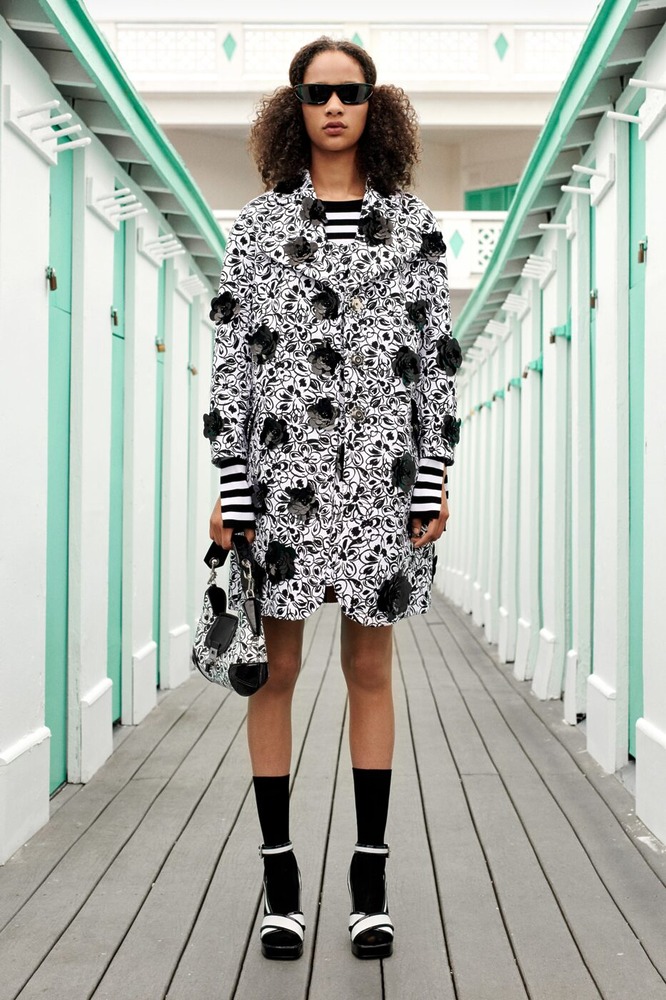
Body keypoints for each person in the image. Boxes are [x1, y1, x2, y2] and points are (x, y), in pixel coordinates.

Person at [206, 35, 461, 962]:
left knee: (370, 671)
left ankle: (369, 880)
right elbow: (232, 359)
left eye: (349, 91)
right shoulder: (258, 228)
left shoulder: (415, 226)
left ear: (374, 103)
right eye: (317, 93)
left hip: (381, 480)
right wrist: (231, 482)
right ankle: (280, 885)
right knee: (273, 673)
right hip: (285, 481)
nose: (334, 107)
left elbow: (437, 359)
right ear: (295, 106)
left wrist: (433, 472)